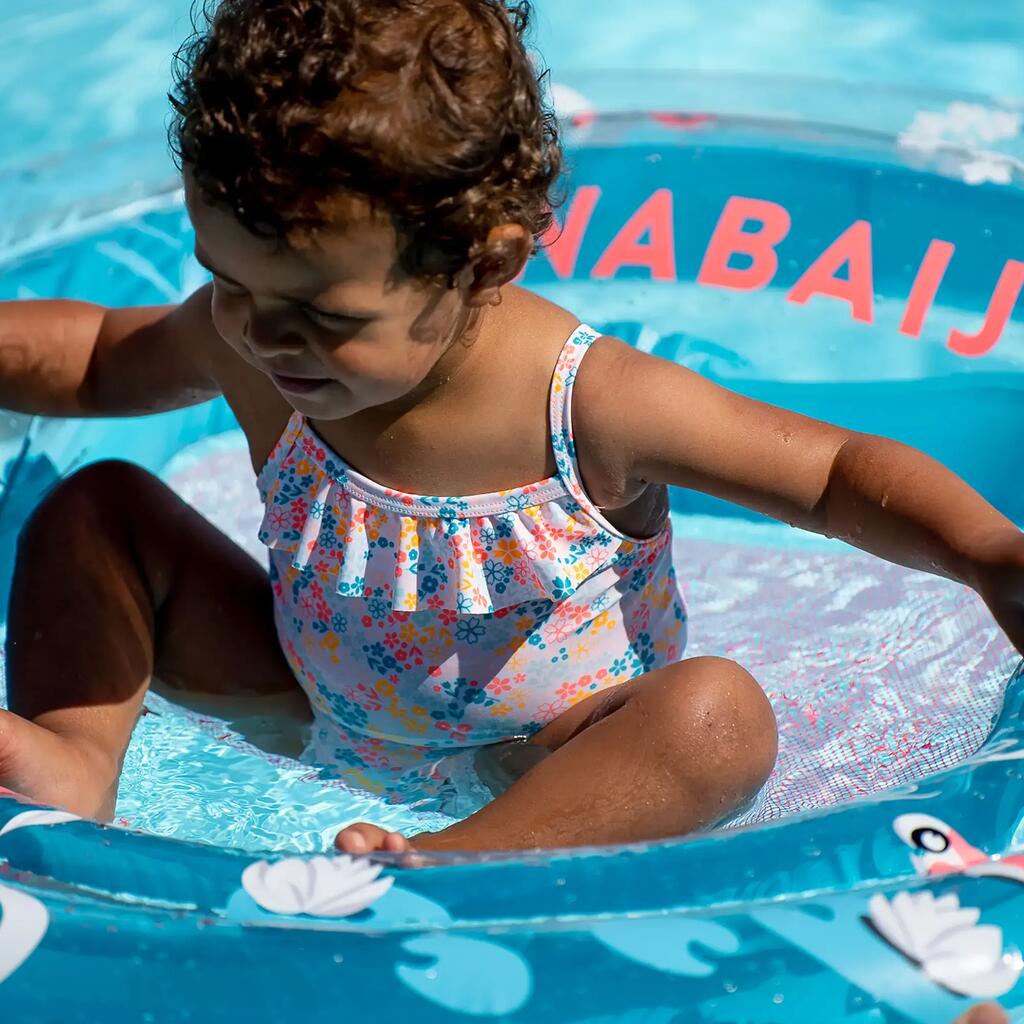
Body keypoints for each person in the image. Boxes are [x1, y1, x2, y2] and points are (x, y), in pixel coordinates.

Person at [0, 0, 1021, 856]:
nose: (263, 334)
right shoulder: (255, 333)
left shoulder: (586, 404)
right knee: (97, 510)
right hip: (308, 693)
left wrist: (986, 556)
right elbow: (95, 358)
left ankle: (456, 859)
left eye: (327, 315)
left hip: (544, 757)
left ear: (483, 262)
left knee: (714, 720)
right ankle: (75, 755)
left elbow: (835, 472)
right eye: (228, 281)